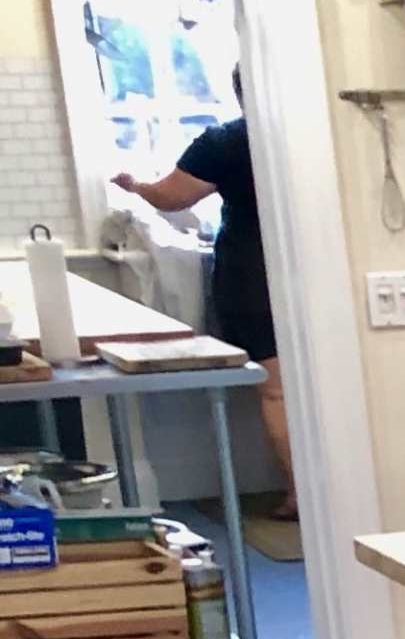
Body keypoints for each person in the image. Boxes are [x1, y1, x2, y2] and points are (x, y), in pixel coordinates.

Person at [114, 111, 286, 486]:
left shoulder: (225, 141)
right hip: (312, 271)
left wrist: (136, 186)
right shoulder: (310, 130)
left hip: (251, 275)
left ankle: (300, 497)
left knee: (277, 393)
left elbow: (171, 197)